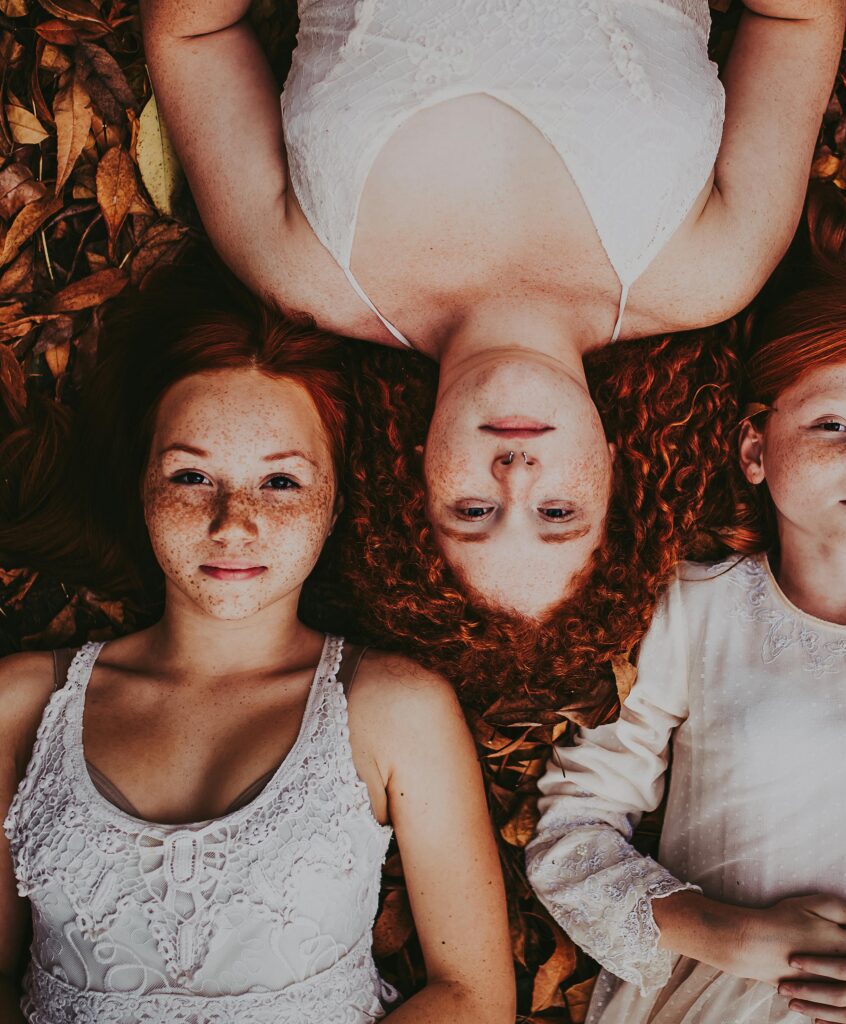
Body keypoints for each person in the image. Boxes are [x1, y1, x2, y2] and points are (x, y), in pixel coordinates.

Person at [139, 0, 846, 618]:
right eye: (558, 513)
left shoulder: (303, 275)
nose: (514, 474)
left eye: (473, 512)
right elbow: (797, 17)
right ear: (611, 467)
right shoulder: (712, 271)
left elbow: (193, 38)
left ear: (420, 475)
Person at [524, 194, 846, 1023]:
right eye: (834, 424)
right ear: (756, 449)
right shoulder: (695, 607)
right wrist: (732, 936)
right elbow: (573, 831)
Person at [0, 268, 515, 1023]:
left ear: (335, 501)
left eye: (280, 483)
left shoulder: (392, 710)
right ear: (143, 484)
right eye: (191, 475)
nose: (233, 522)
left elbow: (472, 995)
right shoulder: (21, 705)